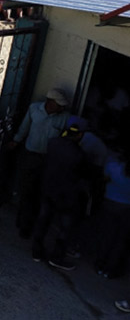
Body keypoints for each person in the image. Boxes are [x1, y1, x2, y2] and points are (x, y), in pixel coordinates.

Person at [10, 88, 70, 239]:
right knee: (27, 191)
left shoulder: (64, 118)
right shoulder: (34, 109)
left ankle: (28, 224)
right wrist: (16, 141)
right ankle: (23, 224)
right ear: (50, 102)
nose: (61, 107)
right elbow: (24, 127)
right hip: (31, 156)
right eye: (59, 104)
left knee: (40, 194)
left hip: (49, 160)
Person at [31, 119, 89, 270]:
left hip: (48, 189)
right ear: (80, 135)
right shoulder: (79, 155)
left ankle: (36, 251)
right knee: (65, 228)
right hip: (66, 196)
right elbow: (82, 175)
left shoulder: (53, 143)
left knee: (43, 220)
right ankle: (57, 257)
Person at [97, 141, 130, 280]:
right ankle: (109, 269)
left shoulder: (112, 165)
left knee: (107, 235)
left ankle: (100, 264)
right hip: (127, 208)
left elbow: (104, 179)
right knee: (120, 240)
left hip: (110, 203)